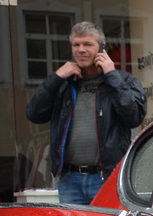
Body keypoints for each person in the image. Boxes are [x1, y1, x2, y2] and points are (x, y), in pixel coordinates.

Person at [26, 21, 146, 204]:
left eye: (88, 44)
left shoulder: (125, 81)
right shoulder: (64, 84)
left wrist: (111, 75)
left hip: (107, 177)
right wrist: (56, 78)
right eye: (76, 44)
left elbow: (134, 117)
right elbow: (34, 114)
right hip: (69, 180)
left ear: (102, 47)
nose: (81, 49)